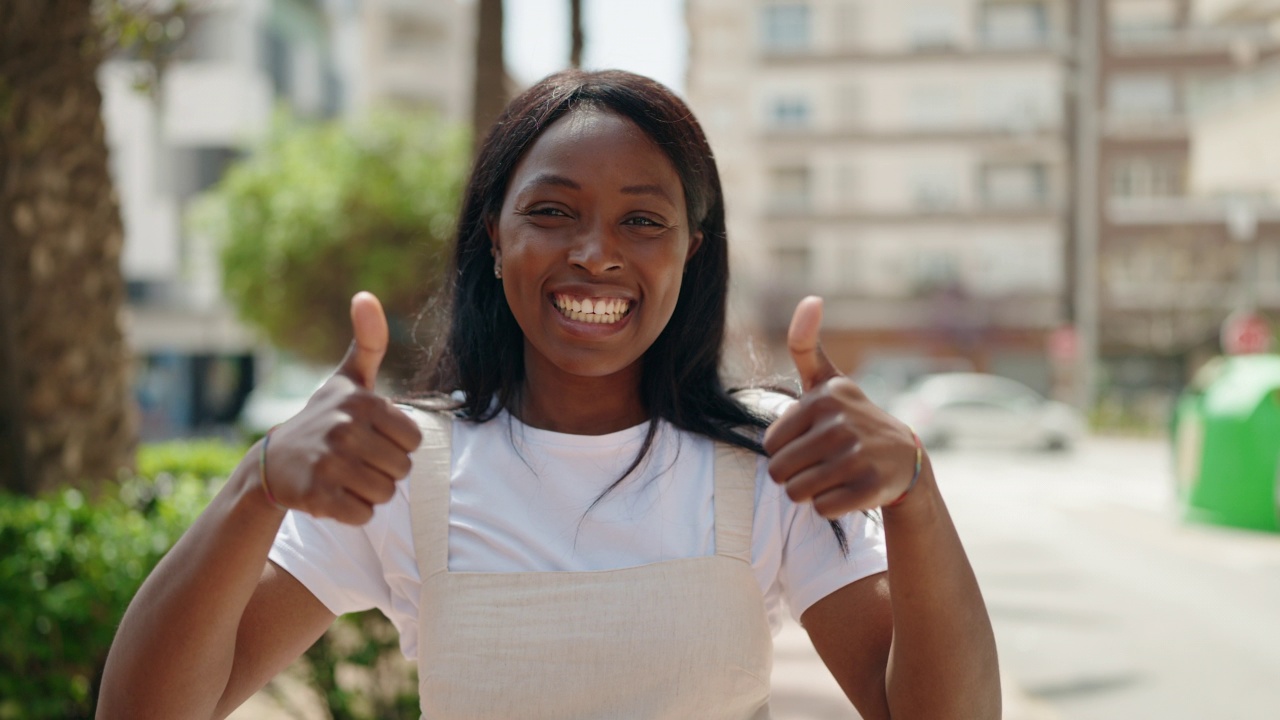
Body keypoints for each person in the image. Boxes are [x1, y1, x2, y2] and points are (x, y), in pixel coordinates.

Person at [98, 69, 1000, 719]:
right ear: (496, 239)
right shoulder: (406, 468)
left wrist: (914, 490)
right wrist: (256, 483)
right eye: (553, 211)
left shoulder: (767, 461)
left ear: (692, 248)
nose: (596, 252)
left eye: (643, 220)